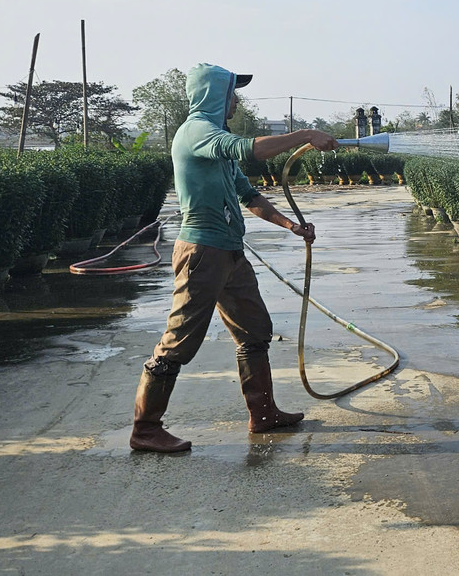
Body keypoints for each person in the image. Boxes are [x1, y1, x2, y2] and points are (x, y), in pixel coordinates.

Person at [130, 64, 339, 453]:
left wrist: (291, 226)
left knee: (255, 330)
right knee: (178, 342)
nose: (236, 99)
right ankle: (145, 429)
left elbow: (250, 197)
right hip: (201, 253)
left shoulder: (216, 144)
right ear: (212, 94)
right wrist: (307, 135)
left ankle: (263, 414)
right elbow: (249, 149)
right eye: (231, 92)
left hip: (229, 252)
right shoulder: (197, 133)